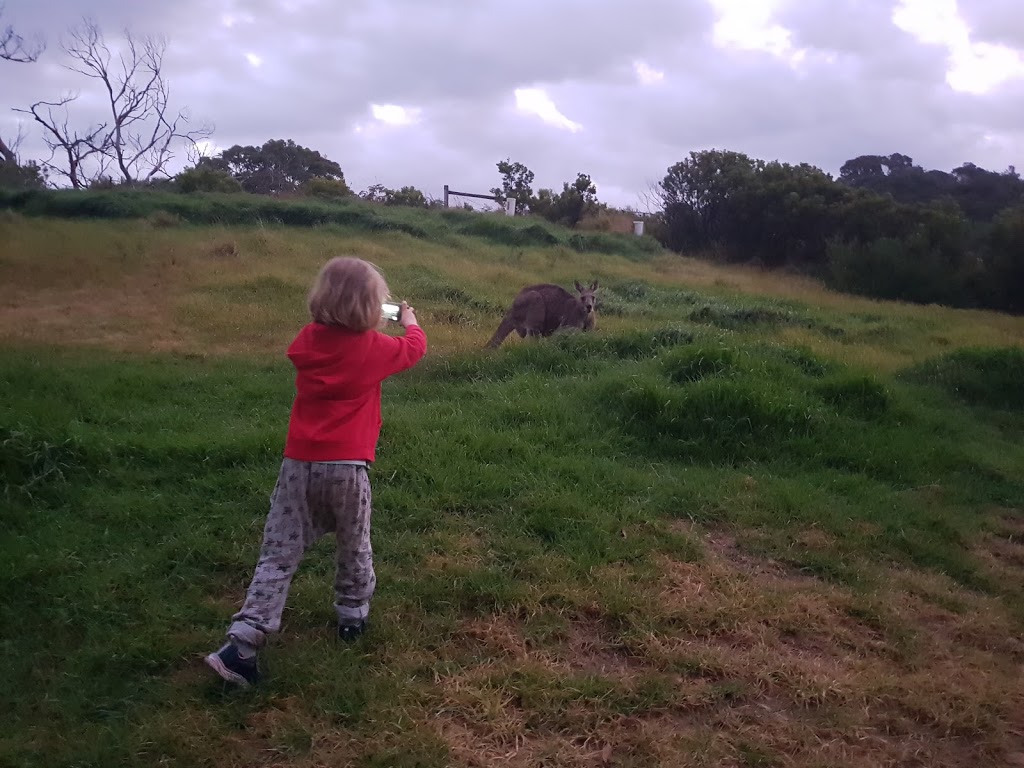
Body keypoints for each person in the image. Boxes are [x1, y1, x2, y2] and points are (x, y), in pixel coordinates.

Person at [205, 256, 427, 687]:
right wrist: (411, 321)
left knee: (278, 553)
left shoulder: (307, 341)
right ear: (371, 308)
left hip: (299, 466)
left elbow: (315, 345)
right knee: (354, 544)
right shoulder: (375, 348)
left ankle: (243, 644)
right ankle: (352, 616)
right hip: (348, 469)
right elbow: (415, 349)